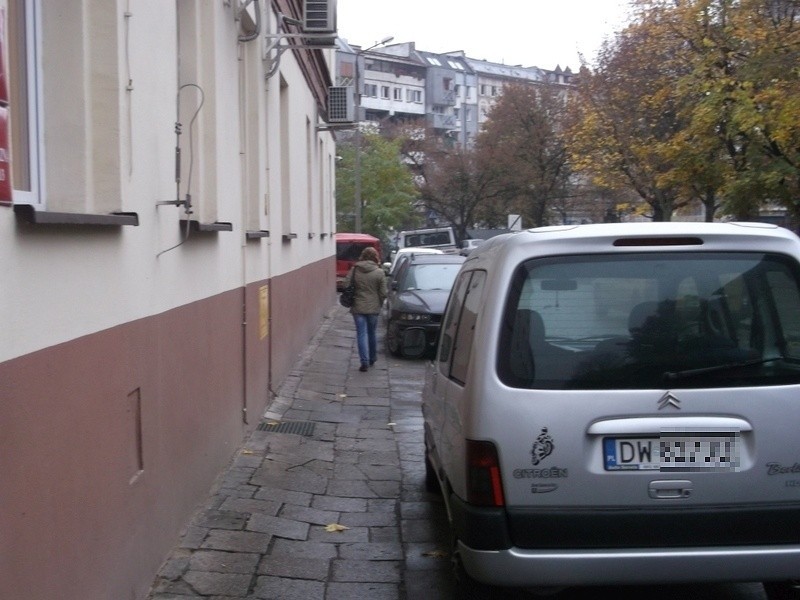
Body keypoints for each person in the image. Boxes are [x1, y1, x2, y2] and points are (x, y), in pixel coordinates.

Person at [344, 246, 387, 372]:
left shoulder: (355, 269)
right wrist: (379, 303)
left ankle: (364, 361)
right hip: (373, 307)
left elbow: (346, 284)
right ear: (375, 257)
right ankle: (372, 357)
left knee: (361, 334)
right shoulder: (379, 272)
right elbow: (383, 292)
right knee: (372, 333)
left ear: (362, 255)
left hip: (358, 306)